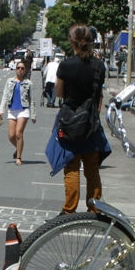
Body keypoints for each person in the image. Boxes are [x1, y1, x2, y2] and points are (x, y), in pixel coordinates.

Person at [51, 24, 110, 213]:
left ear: (72, 42)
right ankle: (94, 208)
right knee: (92, 168)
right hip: (91, 123)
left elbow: (59, 93)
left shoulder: (66, 65)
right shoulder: (99, 66)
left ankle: (69, 209)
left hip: (70, 122)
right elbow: (98, 96)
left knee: (72, 167)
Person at [0, 59, 36, 166]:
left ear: (25, 70)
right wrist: (1, 110)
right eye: (18, 68)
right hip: (12, 110)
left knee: (19, 134)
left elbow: (32, 99)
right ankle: (18, 147)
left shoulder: (29, 83)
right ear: (15, 69)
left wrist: (33, 114)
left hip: (23, 110)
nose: (20, 70)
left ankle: (19, 157)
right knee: (11, 136)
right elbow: (5, 95)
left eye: (22, 68)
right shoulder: (9, 81)